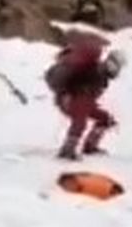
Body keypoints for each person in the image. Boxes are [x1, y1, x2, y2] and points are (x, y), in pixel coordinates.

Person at [44, 29, 125, 159]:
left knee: (105, 119)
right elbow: (80, 88)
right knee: (81, 115)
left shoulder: (101, 76)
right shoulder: (93, 68)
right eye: (115, 65)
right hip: (69, 99)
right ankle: (68, 149)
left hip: (80, 102)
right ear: (109, 62)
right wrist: (66, 94)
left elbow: (89, 98)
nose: (115, 69)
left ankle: (90, 146)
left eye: (118, 66)